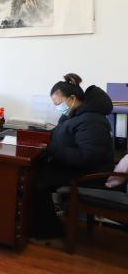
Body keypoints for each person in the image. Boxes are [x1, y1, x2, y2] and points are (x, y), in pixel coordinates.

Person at [32, 73, 114, 238]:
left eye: (58, 103)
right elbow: (61, 134)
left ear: (72, 98)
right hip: (75, 166)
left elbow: (87, 157)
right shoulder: (74, 114)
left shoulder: (92, 120)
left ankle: (50, 230)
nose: (57, 107)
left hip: (90, 174)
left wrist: (52, 149)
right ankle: (37, 224)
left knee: (37, 182)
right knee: (34, 171)